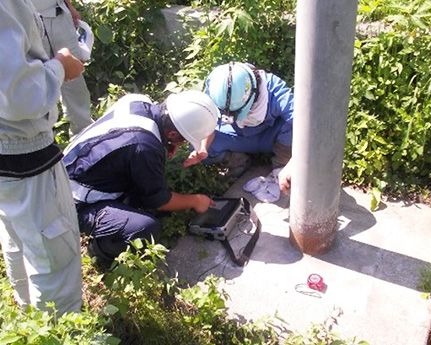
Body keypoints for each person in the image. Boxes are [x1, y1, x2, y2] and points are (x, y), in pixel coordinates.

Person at [62, 91, 219, 262]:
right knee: (143, 228)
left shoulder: (138, 101)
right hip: (72, 202)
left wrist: (164, 144)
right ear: (172, 134)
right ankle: (99, 252)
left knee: (143, 183)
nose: (182, 145)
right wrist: (196, 201)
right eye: (183, 141)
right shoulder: (145, 148)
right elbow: (160, 201)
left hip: (67, 169)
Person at [0, 0, 85, 315]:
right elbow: (21, 95)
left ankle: (28, 317)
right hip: (22, 144)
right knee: (53, 253)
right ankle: (58, 330)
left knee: (16, 234)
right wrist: (61, 66)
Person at [182, 62, 294, 178]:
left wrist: (293, 163)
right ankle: (238, 160)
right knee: (196, 146)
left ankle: (281, 166)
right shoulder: (214, 84)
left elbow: (307, 126)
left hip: (271, 136)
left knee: (292, 126)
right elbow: (209, 121)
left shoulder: (275, 90)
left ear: (254, 94)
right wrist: (203, 148)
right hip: (236, 135)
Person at [34, 0, 93, 136]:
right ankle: (44, 140)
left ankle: (84, 136)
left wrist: (69, 6)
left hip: (59, 14)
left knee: (75, 81)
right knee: (38, 84)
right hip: (30, 22)